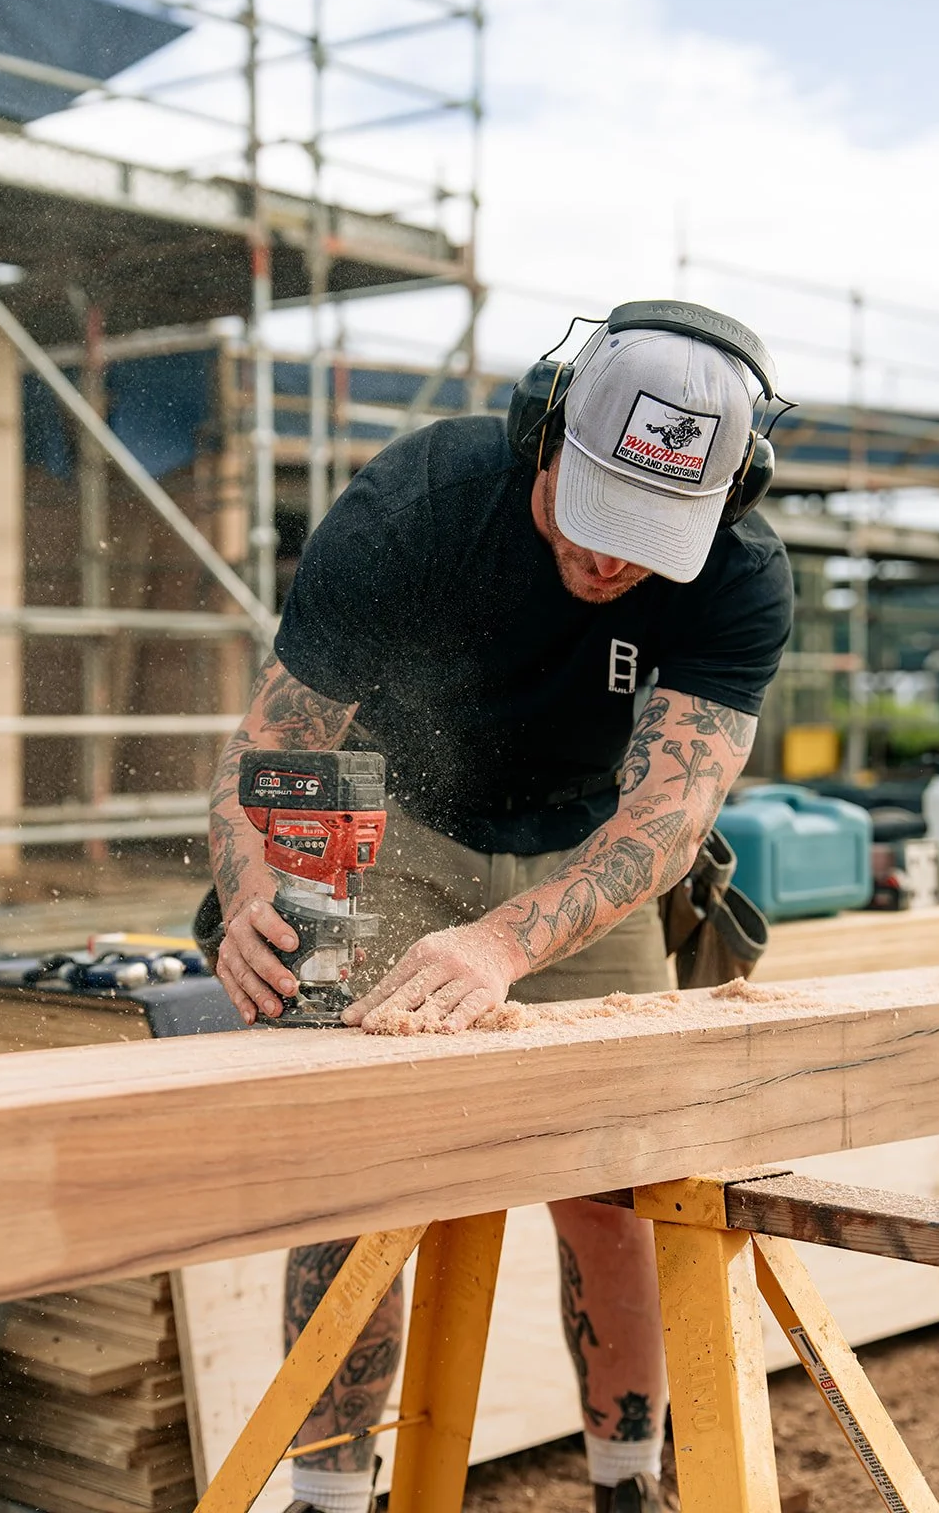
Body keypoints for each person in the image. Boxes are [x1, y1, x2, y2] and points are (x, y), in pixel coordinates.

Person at [208, 303, 794, 1513]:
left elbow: (667, 825)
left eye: (652, 535)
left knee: (614, 1179)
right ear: (545, 432)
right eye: (597, 514)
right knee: (354, 1173)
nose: (613, 561)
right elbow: (278, 741)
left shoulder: (739, 576)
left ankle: (630, 1483)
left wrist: (500, 943)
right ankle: (328, 1494)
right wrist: (252, 884)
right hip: (396, 824)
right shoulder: (420, 501)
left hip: (589, 855)